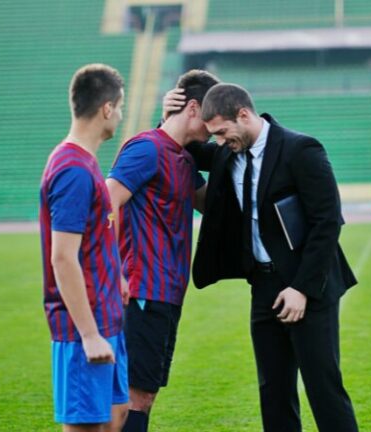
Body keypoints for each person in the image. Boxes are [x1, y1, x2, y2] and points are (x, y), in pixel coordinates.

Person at [167, 83, 359, 432]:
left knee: (323, 388)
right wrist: (169, 113)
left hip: (308, 285)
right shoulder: (228, 150)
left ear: (244, 115)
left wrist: (301, 289)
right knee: (273, 391)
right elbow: (184, 144)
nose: (220, 142)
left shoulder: (301, 149)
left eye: (223, 132)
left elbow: (327, 223)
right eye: (215, 136)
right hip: (264, 286)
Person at [105, 70, 217, 432]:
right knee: (133, 396)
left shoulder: (183, 160)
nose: (214, 128)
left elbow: (214, 206)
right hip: (142, 291)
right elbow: (105, 204)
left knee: (142, 396)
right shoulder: (147, 148)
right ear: (193, 107)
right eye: (211, 118)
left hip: (168, 294)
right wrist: (114, 272)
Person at [38, 64, 128, 432]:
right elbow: (62, 257)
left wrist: (117, 276)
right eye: (120, 107)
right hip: (83, 329)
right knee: (88, 427)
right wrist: (89, 334)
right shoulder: (73, 169)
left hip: (107, 316)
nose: (120, 116)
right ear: (107, 108)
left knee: (116, 417)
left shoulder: (85, 162)